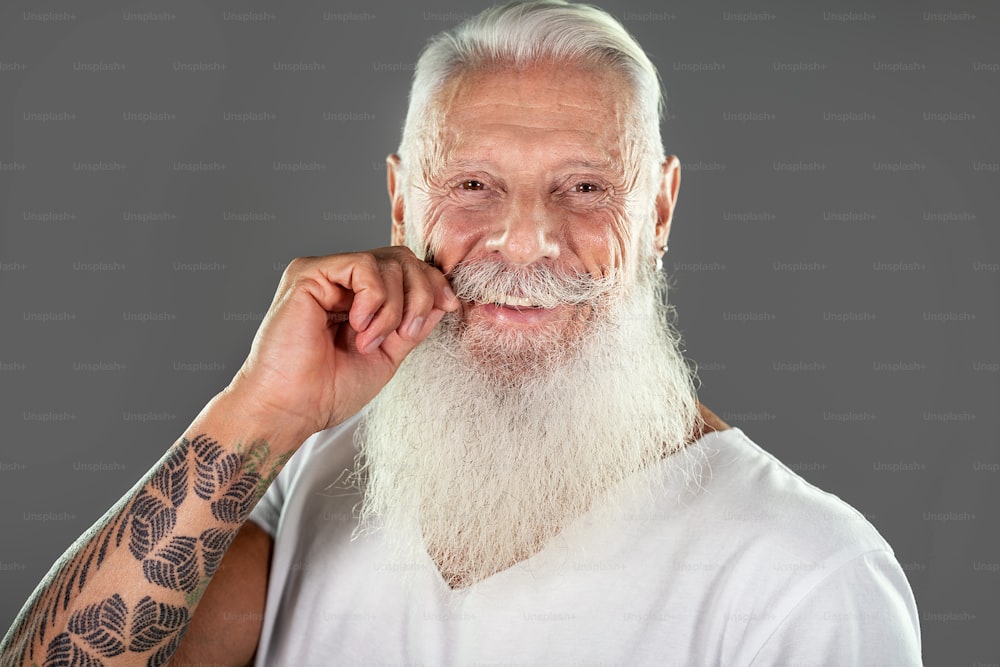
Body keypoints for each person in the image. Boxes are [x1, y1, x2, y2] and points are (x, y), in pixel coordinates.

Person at [1, 1, 922, 665]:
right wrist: (262, 410)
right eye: (473, 185)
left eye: (587, 187)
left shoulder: (805, 574)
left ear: (661, 208)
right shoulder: (320, 472)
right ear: (402, 198)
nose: (527, 242)